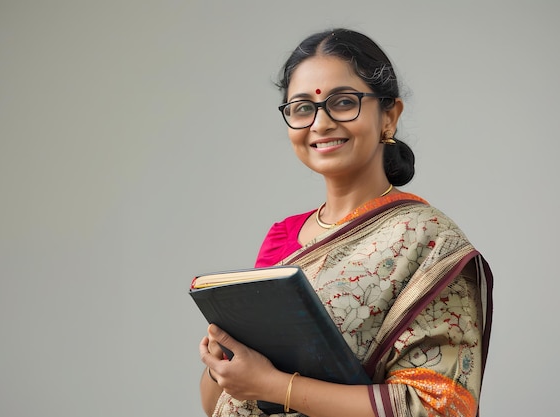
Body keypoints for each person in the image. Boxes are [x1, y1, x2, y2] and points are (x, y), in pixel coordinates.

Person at [198, 28, 493, 417]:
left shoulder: (428, 241)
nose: (319, 123)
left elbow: (438, 407)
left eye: (342, 102)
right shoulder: (283, 237)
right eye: (302, 108)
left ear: (389, 116)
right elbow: (221, 402)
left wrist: (274, 385)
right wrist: (222, 361)